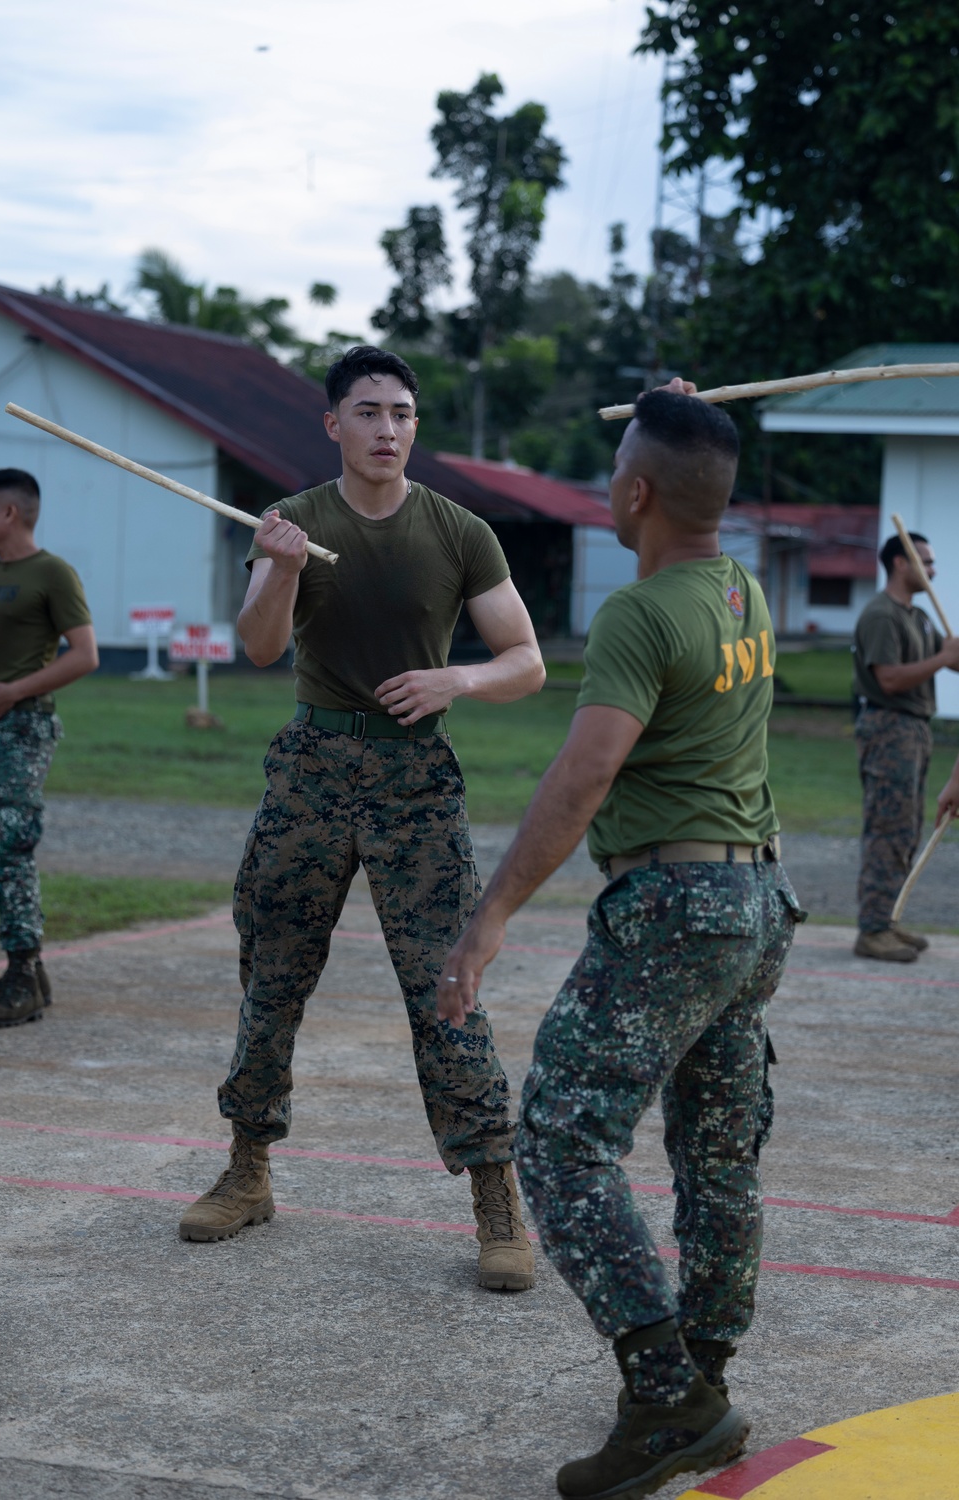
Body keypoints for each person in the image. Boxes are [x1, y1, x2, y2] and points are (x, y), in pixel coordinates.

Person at [437, 385, 804, 1499]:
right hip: (756, 907)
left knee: (557, 1136)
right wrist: (670, 414)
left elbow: (585, 772)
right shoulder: (739, 589)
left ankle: (665, 1395)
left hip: (675, 911)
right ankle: (705, 1369)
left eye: (619, 468)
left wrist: (490, 911)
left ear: (634, 490)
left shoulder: (639, 618)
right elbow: (687, 492)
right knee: (716, 1150)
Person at [179, 346, 544, 1292]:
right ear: (333, 424)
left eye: (403, 414)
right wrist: (283, 570)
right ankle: (248, 1170)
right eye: (369, 412)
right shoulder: (292, 522)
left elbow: (526, 661)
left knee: (448, 985)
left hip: (415, 777)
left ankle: (496, 1202)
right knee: (274, 975)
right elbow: (259, 647)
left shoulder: (459, 531)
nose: (388, 430)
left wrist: (454, 676)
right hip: (311, 767)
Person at [0, 469, 98, 1029]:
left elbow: (85, 654)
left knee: (11, 844)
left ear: (10, 514)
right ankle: (26, 972)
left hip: (21, 726)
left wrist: (14, 690)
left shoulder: (52, 573)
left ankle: (22, 973)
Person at [852, 532, 959, 962]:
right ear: (900, 562)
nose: (933, 570)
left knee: (908, 827)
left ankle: (889, 921)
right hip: (888, 727)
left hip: (914, 728)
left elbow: (946, 659)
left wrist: (951, 654)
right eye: (926, 562)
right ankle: (873, 929)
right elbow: (890, 679)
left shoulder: (918, 617)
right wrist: (942, 657)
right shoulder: (882, 615)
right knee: (888, 828)